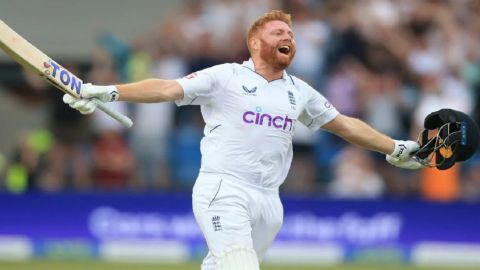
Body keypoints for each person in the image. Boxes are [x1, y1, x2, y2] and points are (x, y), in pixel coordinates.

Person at [63, 10, 423, 270]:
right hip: (224, 189)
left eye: (291, 35)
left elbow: (344, 125)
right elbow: (167, 87)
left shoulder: (300, 91)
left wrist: (395, 147)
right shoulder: (227, 76)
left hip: (269, 202)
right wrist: (109, 91)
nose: (288, 38)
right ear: (254, 42)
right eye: (278, 32)